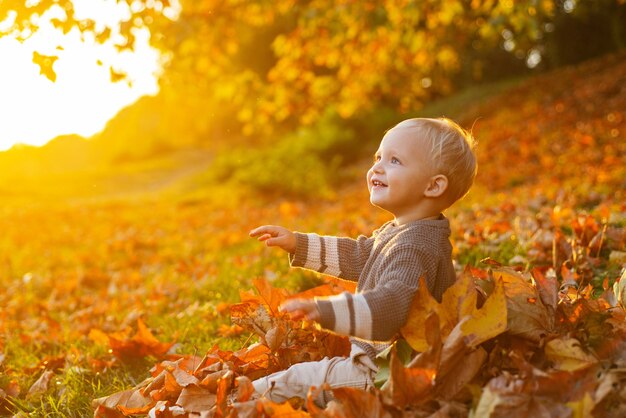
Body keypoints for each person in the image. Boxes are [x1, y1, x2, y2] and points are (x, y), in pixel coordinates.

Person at [248, 117, 477, 407]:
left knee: (292, 382)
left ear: (433, 186)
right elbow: (360, 255)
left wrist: (323, 311)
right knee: (300, 379)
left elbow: (388, 309)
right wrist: (298, 243)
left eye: (395, 161)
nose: (377, 167)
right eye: (378, 157)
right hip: (386, 365)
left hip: (388, 376)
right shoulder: (407, 232)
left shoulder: (415, 247)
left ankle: (232, 403)